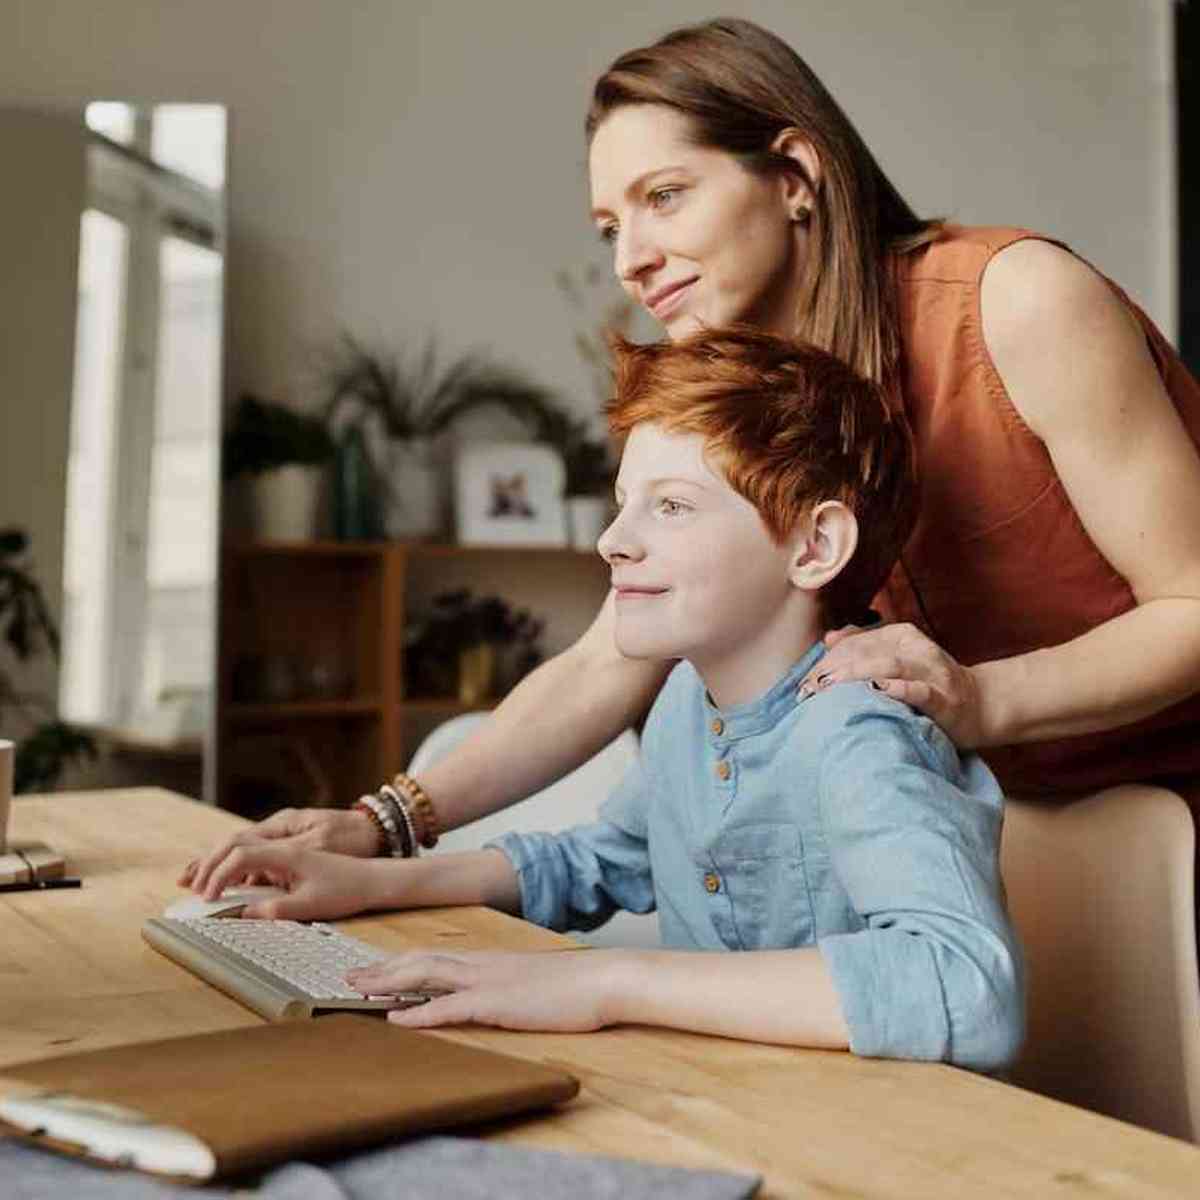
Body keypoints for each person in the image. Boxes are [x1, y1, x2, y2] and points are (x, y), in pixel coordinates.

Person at [183, 16, 1200, 890]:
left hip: (1180, 812)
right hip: (993, 832)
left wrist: (980, 699)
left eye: (663, 197)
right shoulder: (722, 387)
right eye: (608, 226)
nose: (630, 258)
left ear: (796, 176)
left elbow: (1193, 606)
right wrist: (382, 823)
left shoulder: (1019, 299)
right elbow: (606, 660)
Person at [197, 329, 1025, 1071]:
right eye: (625, 500)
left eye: (669, 506)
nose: (613, 538)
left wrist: (606, 982)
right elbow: (603, 861)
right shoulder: (683, 707)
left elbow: (967, 985)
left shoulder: (859, 732)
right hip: (728, 1100)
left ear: (814, 546)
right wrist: (370, 881)